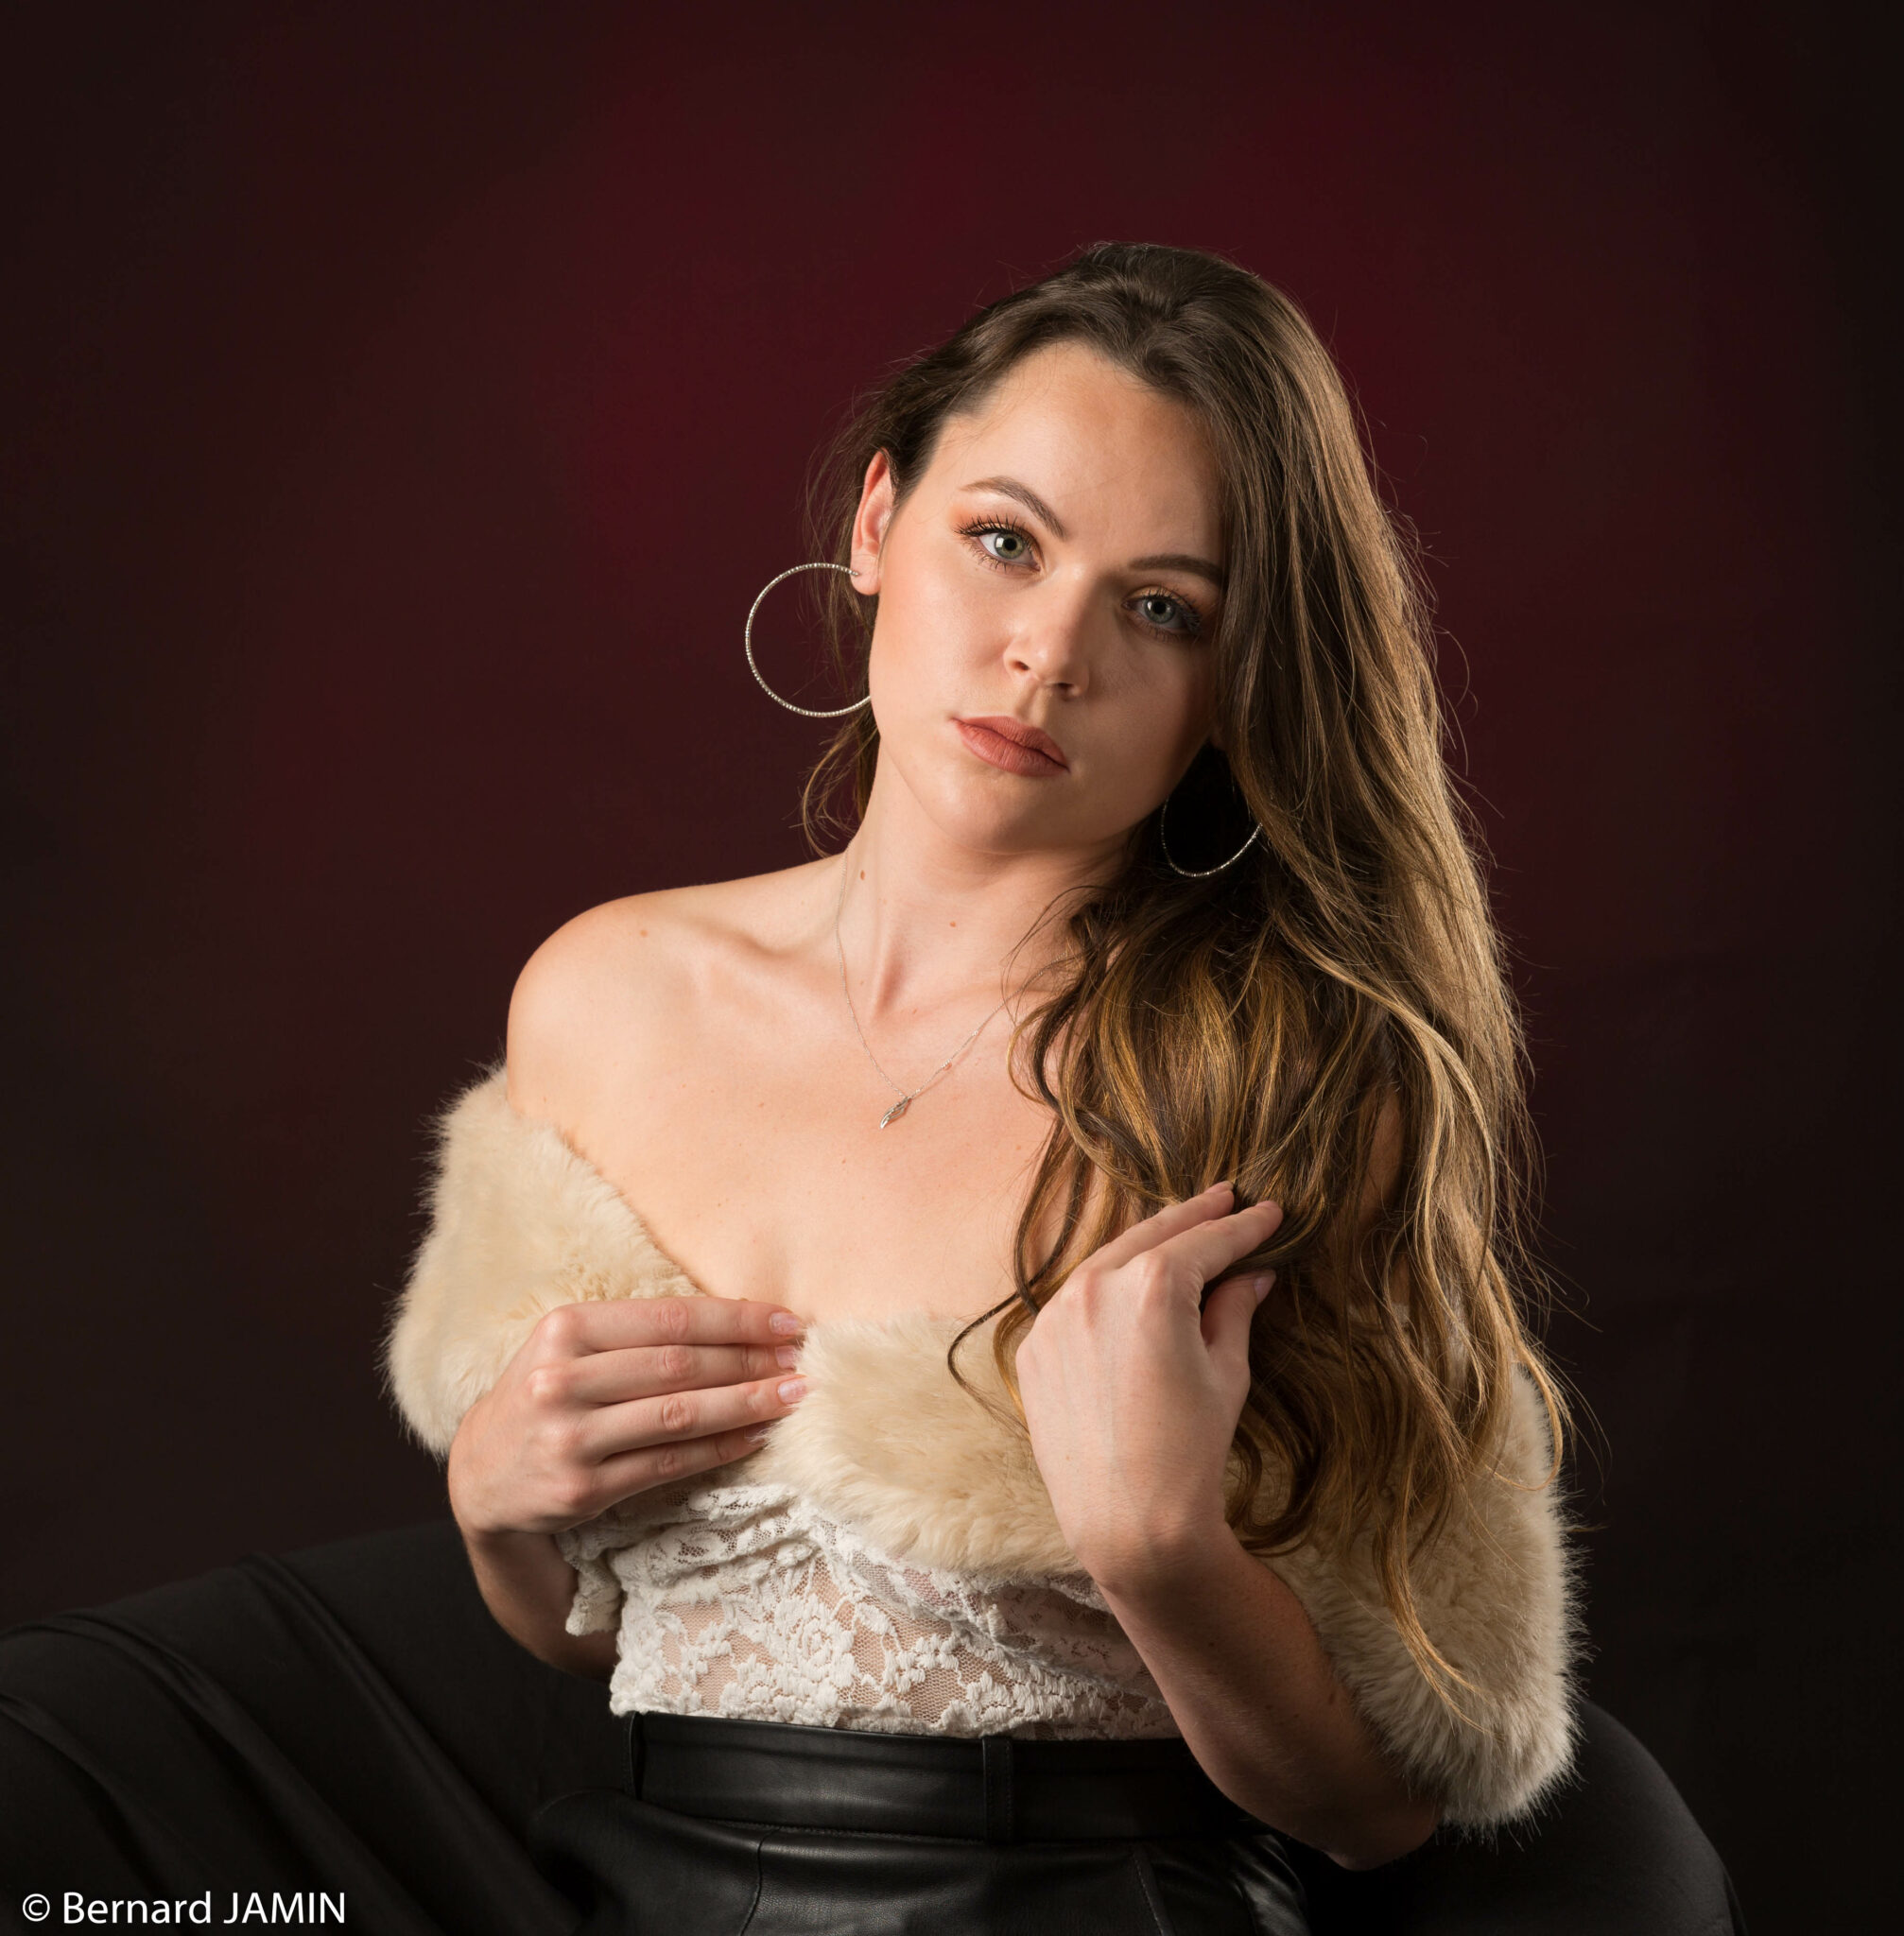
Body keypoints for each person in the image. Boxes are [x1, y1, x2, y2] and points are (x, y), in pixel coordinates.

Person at [382, 240, 1579, 1934]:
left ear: (1230, 688)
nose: (1049, 653)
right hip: (649, 1885)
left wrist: (1162, 1550)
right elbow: (611, 1639)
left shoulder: (1287, 1087)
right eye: (1005, 541)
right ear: (880, 523)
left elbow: (1382, 1809)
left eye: (1161, 609)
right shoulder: (603, 998)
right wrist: (498, 1513)